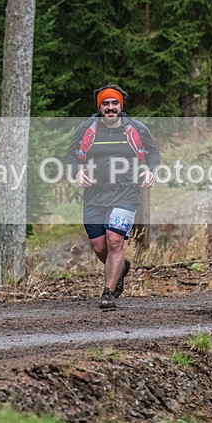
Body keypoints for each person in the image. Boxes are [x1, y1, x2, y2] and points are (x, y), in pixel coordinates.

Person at [66, 84, 160, 310]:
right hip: (94, 195)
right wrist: (76, 173)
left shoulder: (136, 129)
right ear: (99, 107)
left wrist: (151, 170)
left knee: (115, 239)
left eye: (114, 103)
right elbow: (70, 155)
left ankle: (109, 292)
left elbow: (153, 152)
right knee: (100, 247)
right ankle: (121, 267)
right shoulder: (86, 129)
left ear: (121, 105)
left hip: (126, 193)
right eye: (105, 104)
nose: (110, 108)